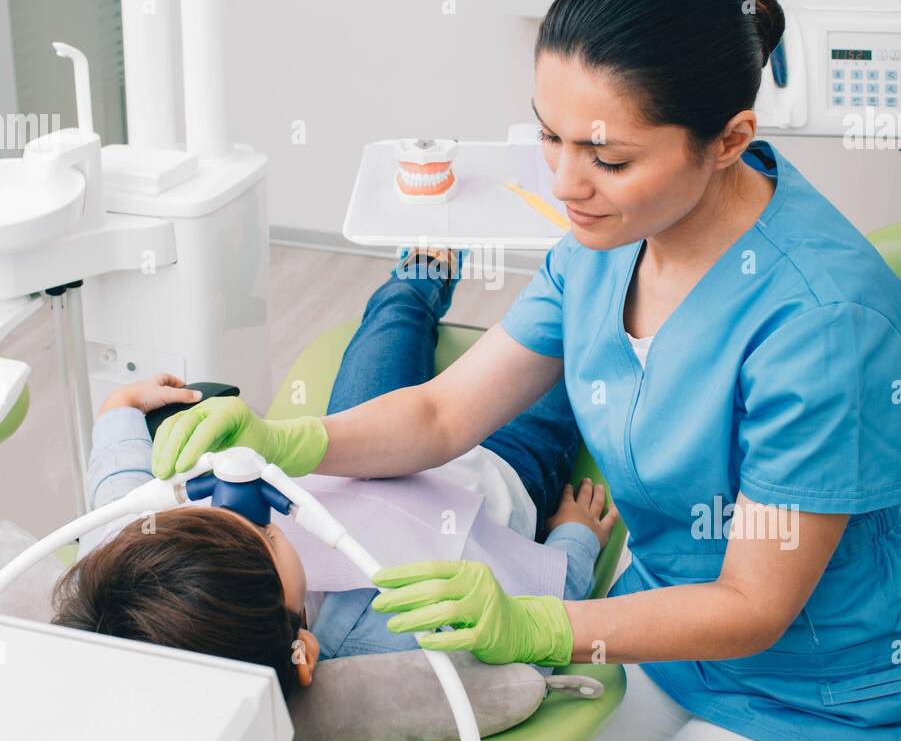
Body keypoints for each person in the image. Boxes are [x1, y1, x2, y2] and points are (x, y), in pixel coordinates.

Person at [156, 0, 901, 741]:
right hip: (654, 633)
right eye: (549, 137)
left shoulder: (819, 323)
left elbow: (756, 603)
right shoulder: (602, 245)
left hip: (817, 696)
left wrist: (540, 624)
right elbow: (440, 411)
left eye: (608, 156)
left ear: (727, 139)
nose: (565, 181)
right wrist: (288, 438)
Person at [53, 248, 616, 701]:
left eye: (217, 511)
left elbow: (119, 482)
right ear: (304, 651)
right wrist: (577, 536)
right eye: (266, 531)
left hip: (360, 443)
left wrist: (121, 407)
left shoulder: (123, 569)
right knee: (579, 345)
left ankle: (422, 271)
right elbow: (536, 612)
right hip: (494, 472)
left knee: (393, 317)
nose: (243, 495)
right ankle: (611, 282)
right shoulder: (392, 630)